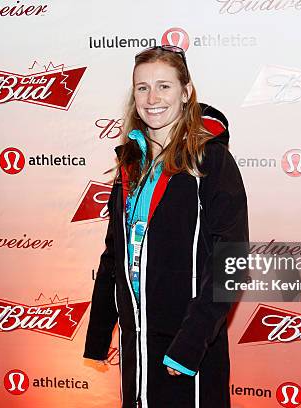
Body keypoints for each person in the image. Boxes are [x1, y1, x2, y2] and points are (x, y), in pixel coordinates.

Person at [83, 45, 248, 408]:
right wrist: (98, 335)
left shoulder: (212, 160)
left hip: (186, 346)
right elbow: (116, 253)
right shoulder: (130, 161)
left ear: (186, 92)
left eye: (164, 86)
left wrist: (190, 345)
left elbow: (232, 264)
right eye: (142, 88)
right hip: (136, 341)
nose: (152, 97)